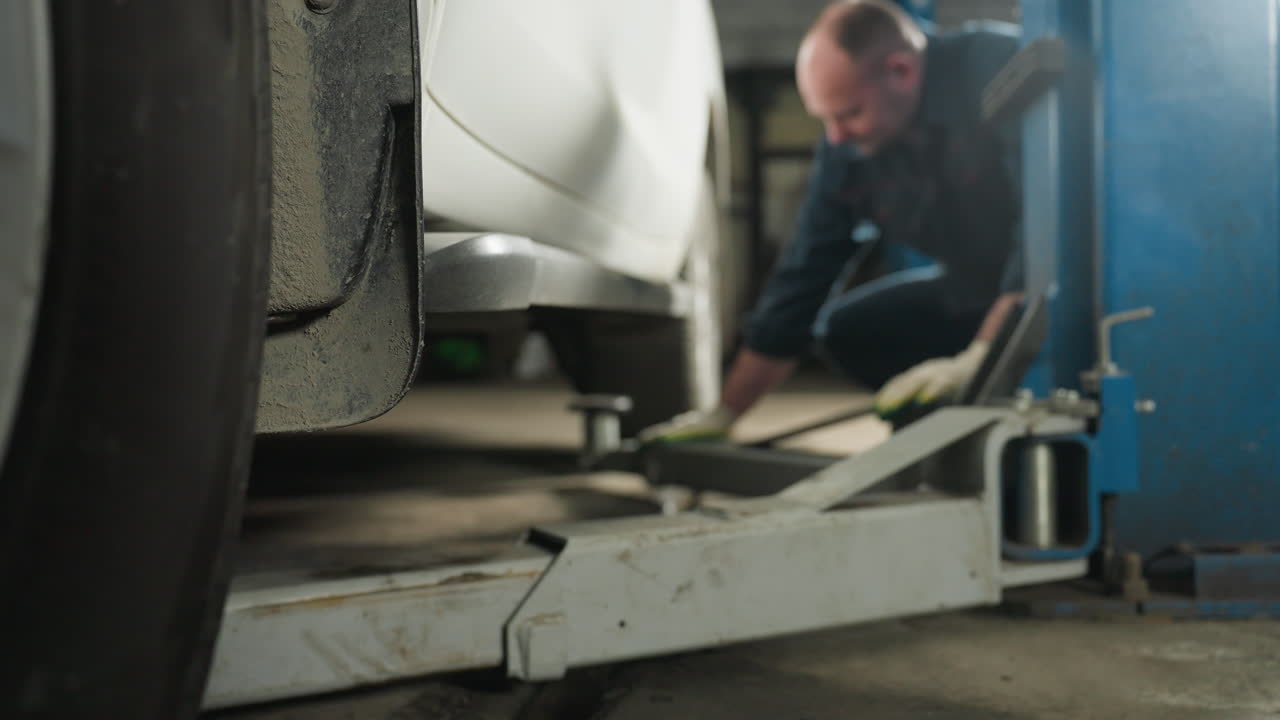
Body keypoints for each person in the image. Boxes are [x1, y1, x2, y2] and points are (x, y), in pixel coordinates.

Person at [641, 0, 1024, 443]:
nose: (836, 135)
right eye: (826, 119)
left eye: (849, 113)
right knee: (852, 331)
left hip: (1063, 295)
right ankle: (948, 440)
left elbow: (1051, 227)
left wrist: (983, 351)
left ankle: (1002, 417)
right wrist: (725, 414)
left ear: (901, 71)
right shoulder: (848, 150)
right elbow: (802, 279)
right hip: (975, 293)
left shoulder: (997, 69)